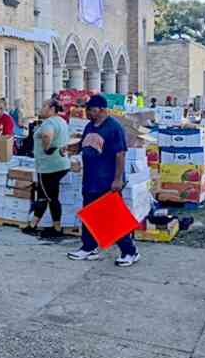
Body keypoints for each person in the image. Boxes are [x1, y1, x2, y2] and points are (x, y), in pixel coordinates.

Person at [68, 94, 140, 267]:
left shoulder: (114, 128)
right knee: (89, 214)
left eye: (90, 110)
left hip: (107, 180)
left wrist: (117, 179)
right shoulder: (89, 126)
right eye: (87, 110)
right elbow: (83, 145)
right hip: (90, 179)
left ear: (101, 110)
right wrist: (70, 149)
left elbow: (120, 154)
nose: (87, 113)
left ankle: (130, 251)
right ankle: (89, 247)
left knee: (112, 217)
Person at [24, 99, 71, 238]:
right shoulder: (62, 121)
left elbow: (46, 135)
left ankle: (33, 225)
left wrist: (46, 148)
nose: (41, 108)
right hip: (61, 164)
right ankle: (56, 227)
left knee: (44, 196)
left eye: (44, 106)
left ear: (51, 109)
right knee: (52, 196)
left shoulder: (49, 123)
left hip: (48, 166)